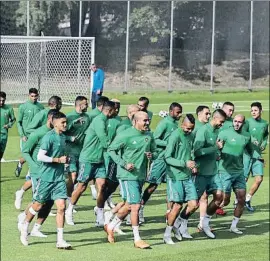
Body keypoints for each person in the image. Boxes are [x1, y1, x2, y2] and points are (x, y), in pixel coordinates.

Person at [105, 111, 157, 249]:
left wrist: (152, 155)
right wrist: (123, 163)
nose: (147, 123)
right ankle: (137, 239)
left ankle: (110, 225)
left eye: (148, 120)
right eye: (144, 121)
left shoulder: (149, 135)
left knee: (128, 205)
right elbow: (111, 150)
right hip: (127, 175)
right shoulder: (125, 135)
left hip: (141, 175)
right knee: (136, 206)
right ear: (135, 121)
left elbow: (156, 152)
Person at [19, 112, 71, 249]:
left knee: (61, 207)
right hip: (46, 178)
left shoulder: (63, 137)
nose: (65, 125)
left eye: (66, 122)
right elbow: (41, 156)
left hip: (59, 179)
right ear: (55, 123)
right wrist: (57, 160)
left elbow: (61, 155)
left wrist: (65, 161)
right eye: (63, 123)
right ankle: (25, 226)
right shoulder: (49, 137)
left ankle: (60, 240)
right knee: (37, 205)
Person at [65, 101, 115, 226]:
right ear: (109, 110)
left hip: (100, 159)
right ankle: (69, 209)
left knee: (102, 186)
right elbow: (104, 141)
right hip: (88, 158)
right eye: (115, 110)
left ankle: (99, 214)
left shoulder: (106, 121)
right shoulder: (99, 121)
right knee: (81, 186)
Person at [179, 109, 226, 239]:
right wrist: (215, 148)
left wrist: (217, 153)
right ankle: (182, 223)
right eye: (221, 122)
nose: (222, 124)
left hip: (213, 171)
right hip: (201, 172)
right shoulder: (203, 131)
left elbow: (214, 149)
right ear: (215, 118)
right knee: (194, 203)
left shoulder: (217, 131)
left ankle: (205, 223)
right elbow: (197, 151)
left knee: (219, 197)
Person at [15, 95, 62, 209]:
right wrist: (42, 134)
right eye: (60, 104)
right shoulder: (42, 114)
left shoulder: (57, 121)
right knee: (37, 187)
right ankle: (26, 216)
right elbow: (29, 129)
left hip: (48, 161)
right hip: (37, 158)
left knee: (39, 184)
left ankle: (22, 194)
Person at [18, 109, 58, 237]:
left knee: (49, 201)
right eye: (55, 121)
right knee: (39, 201)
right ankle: (24, 217)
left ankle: (36, 228)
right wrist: (34, 165)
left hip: (51, 172)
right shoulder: (38, 133)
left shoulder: (56, 133)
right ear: (49, 119)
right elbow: (25, 151)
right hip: (38, 173)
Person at [140, 103, 182, 223]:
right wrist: (169, 144)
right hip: (160, 159)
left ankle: (169, 213)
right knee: (153, 185)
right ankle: (140, 208)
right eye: (177, 112)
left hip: (170, 159)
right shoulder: (164, 123)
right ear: (171, 111)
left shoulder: (175, 124)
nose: (179, 114)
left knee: (171, 186)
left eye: (180, 112)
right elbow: (155, 139)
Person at [163, 114, 197, 244]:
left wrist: (193, 165)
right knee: (177, 206)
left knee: (193, 204)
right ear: (182, 124)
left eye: (191, 129)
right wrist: (184, 163)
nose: (189, 131)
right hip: (175, 176)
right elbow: (167, 157)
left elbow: (190, 152)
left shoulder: (191, 136)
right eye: (187, 128)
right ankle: (167, 234)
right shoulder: (175, 136)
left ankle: (176, 223)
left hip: (187, 175)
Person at [218, 114, 251, 234]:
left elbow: (250, 151)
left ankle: (233, 226)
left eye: (239, 122)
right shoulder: (224, 133)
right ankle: (204, 221)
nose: (237, 124)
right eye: (235, 121)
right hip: (225, 171)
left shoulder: (246, 136)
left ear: (243, 123)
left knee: (241, 199)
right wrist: (218, 149)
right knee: (224, 201)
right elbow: (216, 150)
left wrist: (258, 159)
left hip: (239, 172)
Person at [242, 102, 269, 211]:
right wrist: (252, 139)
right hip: (247, 153)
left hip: (257, 155)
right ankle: (239, 200)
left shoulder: (265, 123)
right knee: (244, 178)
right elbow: (243, 133)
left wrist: (264, 144)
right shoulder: (247, 122)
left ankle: (247, 199)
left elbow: (266, 135)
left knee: (259, 179)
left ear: (261, 111)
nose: (253, 112)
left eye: (255, 110)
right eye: (252, 110)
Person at [65, 96, 90, 203]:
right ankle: (68, 199)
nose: (88, 105)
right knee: (73, 175)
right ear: (80, 105)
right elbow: (61, 133)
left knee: (79, 177)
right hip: (70, 151)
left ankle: (67, 193)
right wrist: (72, 126)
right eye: (86, 103)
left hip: (83, 152)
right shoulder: (69, 117)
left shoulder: (87, 117)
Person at [15, 88, 44, 177]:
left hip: (37, 136)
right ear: (29, 96)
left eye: (35, 96)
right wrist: (22, 135)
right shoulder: (23, 107)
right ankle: (20, 163)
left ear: (38, 96)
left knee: (35, 156)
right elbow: (18, 122)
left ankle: (30, 175)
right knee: (28, 155)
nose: (34, 98)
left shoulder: (41, 107)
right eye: (32, 96)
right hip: (26, 136)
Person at [214, 101, 235, 216]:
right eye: (229, 110)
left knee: (226, 192)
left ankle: (217, 206)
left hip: (230, 160)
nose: (231, 112)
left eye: (232, 110)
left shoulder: (234, 123)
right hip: (217, 160)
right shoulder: (218, 124)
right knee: (218, 187)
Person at [87, 95, 109, 199]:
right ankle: (92, 188)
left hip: (99, 150)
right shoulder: (92, 115)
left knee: (100, 178)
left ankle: (100, 199)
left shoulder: (105, 117)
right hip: (90, 148)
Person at [0, 91, 16, 161]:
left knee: (1, 153)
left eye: (3, 100)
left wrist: (9, 125)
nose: (1, 102)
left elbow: (13, 119)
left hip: (3, 134)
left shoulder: (9, 109)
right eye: (0, 100)